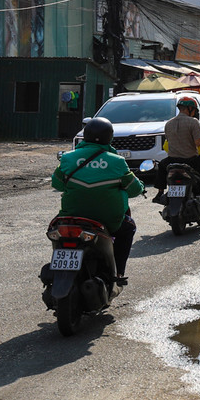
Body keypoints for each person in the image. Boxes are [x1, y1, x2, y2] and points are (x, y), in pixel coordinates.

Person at [50, 117, 143, 283]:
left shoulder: (67, 158)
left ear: (85, 136)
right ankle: (118, 273)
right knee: (128, 228)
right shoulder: (117, 162)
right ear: (110, 137)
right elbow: (134, 190)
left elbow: (57, 183)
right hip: (108, 221)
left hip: (71, 217)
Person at [163, 95, 200, 206]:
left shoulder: (168, 124)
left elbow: (167, 145)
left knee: (161, 166)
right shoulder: (193, 122)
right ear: (190, 109)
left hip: (172, 160)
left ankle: (159, 193)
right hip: (190, 160)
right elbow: (198, 143)